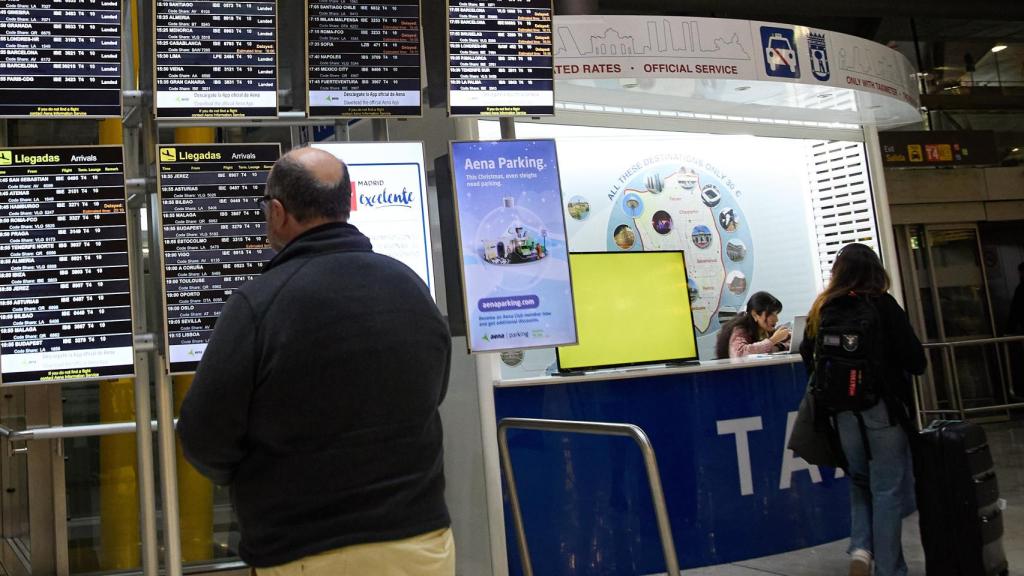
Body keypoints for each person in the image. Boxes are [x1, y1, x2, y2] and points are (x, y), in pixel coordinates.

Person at [176, 147, 454, 575]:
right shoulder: (411, 287)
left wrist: (251, 476)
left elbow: (203, 436)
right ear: (349, 202)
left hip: (304, 551)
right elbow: (433, 393)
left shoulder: (258, 304)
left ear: (278, 213)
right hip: (420, 544)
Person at [799, 243, 926, 576]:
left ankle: (860, 549)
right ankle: (890, 569)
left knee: (859, 481)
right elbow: (916, 360)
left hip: (842, 412)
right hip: (882, 410)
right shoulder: (883, 305)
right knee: (887, 489)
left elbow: (807, 355)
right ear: (875, 270)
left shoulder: (824, 308)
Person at [714, 291, 791, 358]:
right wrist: (773, 340)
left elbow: (788, 345)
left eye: (776, 314)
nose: (776, 319)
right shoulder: (741, 329)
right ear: (755, 314)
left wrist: (779, 345)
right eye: (771, 314)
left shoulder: (766, 330)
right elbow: (739, 353)